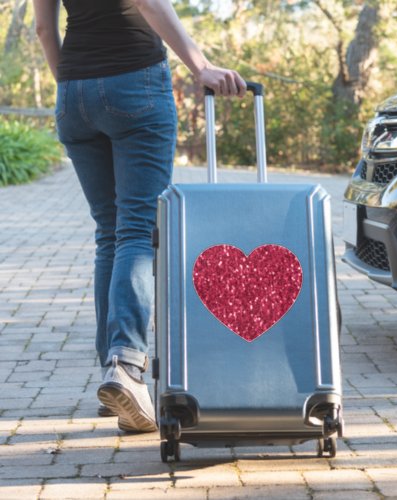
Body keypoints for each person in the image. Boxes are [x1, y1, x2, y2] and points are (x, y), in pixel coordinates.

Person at [33, 0, 246, 433]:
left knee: (109, 235)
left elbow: (42, 29)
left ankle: (113, 372)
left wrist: (73, 87)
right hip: (134, 83)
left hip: (73, 91)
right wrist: (199, 66)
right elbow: (148, 3)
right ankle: (127, 366)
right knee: (135, 231)